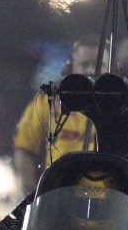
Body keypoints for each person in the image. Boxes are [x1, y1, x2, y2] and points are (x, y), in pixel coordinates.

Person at [13, 35, 101, 194]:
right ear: (71, 67)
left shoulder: (123, 105)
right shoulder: (47, 100)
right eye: (84, 64)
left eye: (98, 65)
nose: (90, 71)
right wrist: (29, 195)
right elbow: (24, 149)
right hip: (58, 197)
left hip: (109, 202)